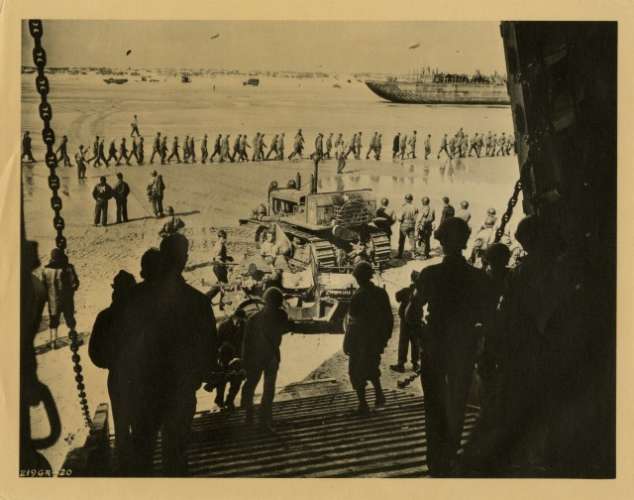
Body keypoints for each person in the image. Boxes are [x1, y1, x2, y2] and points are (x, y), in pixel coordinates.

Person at [115, 234, 218, 476]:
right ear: (184, 259)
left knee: (142, 453)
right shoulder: (198, 302)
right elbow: (209, 352)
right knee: (176, 456)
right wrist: (196, 379)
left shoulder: (134, 297)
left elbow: (116, 345)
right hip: (181, 392)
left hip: (142, 390)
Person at [405, 217, 488, 476]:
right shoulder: (478, 277)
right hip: (463, 347)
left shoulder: (430, 275)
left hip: (435, 347)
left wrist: (421, 336)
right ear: (465, 242)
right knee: (458, 404)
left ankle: (436, 462)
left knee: (434, 406)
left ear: (440, 241)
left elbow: (411, 314)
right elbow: (487, 317)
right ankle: (451, 456)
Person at [88, 270, 137, 472]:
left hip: (118, 376)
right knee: (143, 423)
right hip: (143, 376)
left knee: (121, 424)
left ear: (114, 291)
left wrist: (111, 363)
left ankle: (125, 468)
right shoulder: (144, 315)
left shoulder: (105, 317)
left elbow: (94, 353)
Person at [344, 261, 393, 415]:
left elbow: (353, 323)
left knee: (356, 371)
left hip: (360, 341)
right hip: (376, 340)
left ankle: (363, 404)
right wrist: (384, 338)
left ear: (358, 278)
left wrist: (347, 343)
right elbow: (389, 318)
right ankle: (379, 395)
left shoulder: (358, 296)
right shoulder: (381, 293)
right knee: (372, 366)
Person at [241, 287, 291, 431]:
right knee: (269, 390)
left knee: (250, 386)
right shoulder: (281, 315)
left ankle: (249, 415)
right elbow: (284, 328)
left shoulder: (253, 319)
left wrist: (244, 361)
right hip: (272, 357)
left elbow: (246, 343)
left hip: (256, 358)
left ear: (265, 301)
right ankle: (264, 420)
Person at [204, 310, 247, 410]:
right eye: (238, 319)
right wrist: (216, 358)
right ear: (234, 317)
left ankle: (229, 401)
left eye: (241, 319)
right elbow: (217, 343)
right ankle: (219, 401)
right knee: (222, 381)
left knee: (237, 380)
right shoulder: (223, 326)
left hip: (239, 358)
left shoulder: (245, 326)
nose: (239, 321)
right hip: (225, 357)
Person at [40, 248, 80, 349]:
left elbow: (43, 287)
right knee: (70, 318)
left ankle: (53, 342)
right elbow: (75, 283)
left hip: (53, 300)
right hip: (67, 299)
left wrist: (47, 297)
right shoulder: (68, 268)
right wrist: (71, 290)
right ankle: (73, 339)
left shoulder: (45, 270)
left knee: (54, 320)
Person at [390, 270, 421, 373]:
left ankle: (401, 364)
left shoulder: (406, 290)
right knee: (415, 342)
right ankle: (415, 364)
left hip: (405, 319)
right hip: (416, 320)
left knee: (403, 341)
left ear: (411, 279)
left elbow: (397, 297)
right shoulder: (421, 292)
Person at [397, 193, 418, 259]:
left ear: (406, 199)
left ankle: (400, 254)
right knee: (412, 239)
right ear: (411, 199)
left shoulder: (403, 207)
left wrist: (400, 220)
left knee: (402, 239)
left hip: (404, 224)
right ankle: (413, 254)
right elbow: (416, 217)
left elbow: (400, 218)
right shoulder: (415, 207)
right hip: (412, 224)